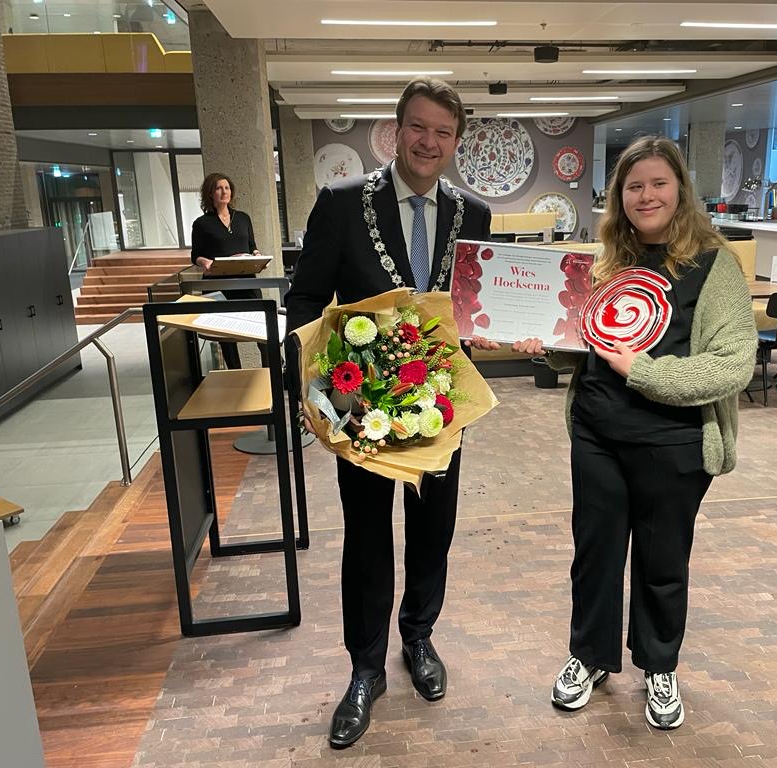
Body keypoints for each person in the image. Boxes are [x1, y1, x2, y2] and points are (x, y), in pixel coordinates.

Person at [514, 135, 757, 730]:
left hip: (673, 442)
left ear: (680, 190)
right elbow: (584, 345)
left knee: (662, 560)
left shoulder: (714, 265)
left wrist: (643, 371)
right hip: (597, 433)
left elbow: (732, 364)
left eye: (658, 183)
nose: (646, 196)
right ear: (618, 195)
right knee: (594, 554)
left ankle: (659, 664)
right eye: (634, 186)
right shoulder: (604, 264)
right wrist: (546, 345)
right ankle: (589, 656)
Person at [284, 77, 495, 749]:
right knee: (368, 536)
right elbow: (305, 299)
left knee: (434, 530)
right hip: (362, 410)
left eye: (443, 132)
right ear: (396, 131)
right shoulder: (343, 203)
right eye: (419, 127)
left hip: (442, 406)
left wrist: (495, 330)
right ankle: (365, 668)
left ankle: (419, 638)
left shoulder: (474, 214)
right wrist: (313, 392)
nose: (429, 142)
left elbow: (473, 308)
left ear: (456, 142)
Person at [190, 173, 266, 369]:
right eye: (218, 188)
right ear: (210, 194)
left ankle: (272, 371)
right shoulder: (201, 224)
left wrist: (258, 256)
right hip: (218, 284)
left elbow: (252, 246)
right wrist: (205, 262)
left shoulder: (243, 218)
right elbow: (196, 255)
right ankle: (235, 373)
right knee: (227, 337)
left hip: (247, 282)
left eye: (227, 188)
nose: (224, 192)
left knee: (262, 329)